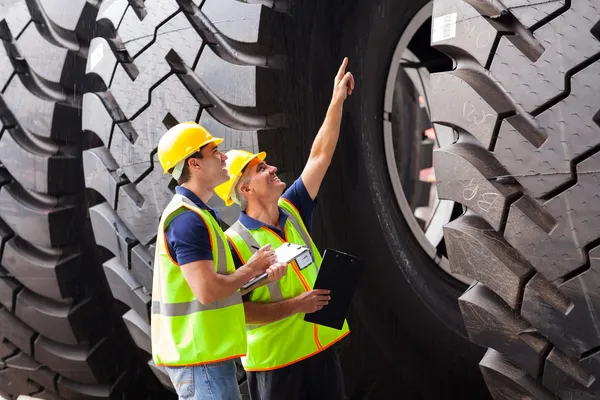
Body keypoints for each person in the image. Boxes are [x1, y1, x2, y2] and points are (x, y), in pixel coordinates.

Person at [214, 57, 355, 400]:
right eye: (262, 168)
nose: (273, 167)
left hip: (319, 351)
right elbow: (237, 313)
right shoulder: (232, 243)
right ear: (244, 189)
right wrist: (296, 305)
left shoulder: (292, 209)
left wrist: (336, 102)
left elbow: (319, 156)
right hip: (277, 366)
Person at [150, 122, 287, 400]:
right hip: (200, 358)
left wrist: (259, 278)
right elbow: (208, 291)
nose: (224, 157)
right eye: (215, 151)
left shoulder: (199, 215)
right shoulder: (187, 220)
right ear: (194, 164)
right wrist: (252, 267)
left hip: (205, 356)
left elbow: (214, 291)